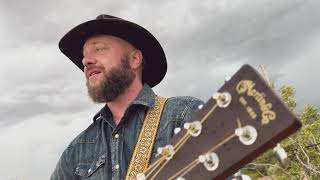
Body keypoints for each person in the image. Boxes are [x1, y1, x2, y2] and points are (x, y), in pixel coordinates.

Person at [51, 14, 203, 180]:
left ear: (134, 59)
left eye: (99, 49)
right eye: (84, 55)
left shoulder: (183, 116)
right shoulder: (76, 151)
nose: (86, 61)